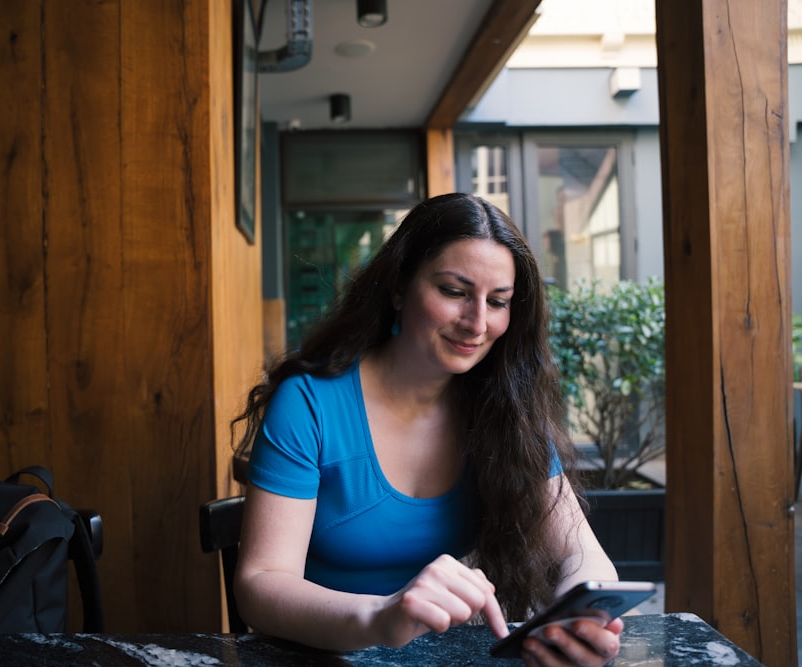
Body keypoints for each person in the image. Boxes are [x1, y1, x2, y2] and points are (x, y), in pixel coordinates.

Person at [232, 193, 623, 665]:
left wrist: (581, 614)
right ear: (399, 287)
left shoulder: (505, 410)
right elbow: (260, 583)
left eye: (498, 301)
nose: (477, 323)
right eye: (454, 292)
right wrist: (381, 616)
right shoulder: (310, 403)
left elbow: (583, 556)